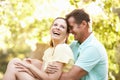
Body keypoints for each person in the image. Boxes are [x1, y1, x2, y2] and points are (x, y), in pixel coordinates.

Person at [3, 17, 74, 80]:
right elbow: (42, 76)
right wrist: (27, 70)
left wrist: (30, 67)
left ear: (67, 34)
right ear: (50, 29)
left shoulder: (62, 48)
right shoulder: (49, 51)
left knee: (14, 66)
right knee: (15, 61)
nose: (57, 27)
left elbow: (51, 79)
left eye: (62, 27)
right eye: (55, 25)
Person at [46, 9, 108, 80]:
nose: (70, 31)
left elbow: (69, 78)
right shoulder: (74, 45)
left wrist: (46, 73)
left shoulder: (94, 48)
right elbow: (58, 66)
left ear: (83, 24)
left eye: (71, 27)